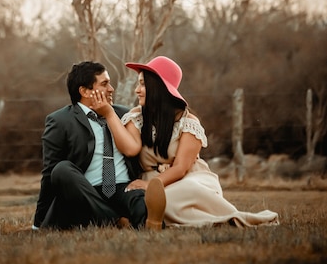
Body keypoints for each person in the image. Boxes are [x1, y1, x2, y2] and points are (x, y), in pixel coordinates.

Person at [94, 55, 279, 228]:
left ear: (158, 87)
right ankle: (155, 217)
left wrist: (152, 185)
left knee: (182, 192)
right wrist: (109, 113)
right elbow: (130, 149)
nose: (137, 90)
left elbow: (181, 168)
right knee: (149, 199)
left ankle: (155, 217)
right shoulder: (136, 118)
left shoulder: (188, 123)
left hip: (190, 179)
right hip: (150, 183)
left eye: (142, 84)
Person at [33, 61, 166, 230]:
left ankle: (151, 223)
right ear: (85, 91)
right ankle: (115, 220)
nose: (111, 89)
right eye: (104, 84)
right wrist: (38, 222)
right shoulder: (60, 121)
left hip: (121, 187)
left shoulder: (124, 114)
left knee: (138, 198)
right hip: (85, 191)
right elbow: (49, 174)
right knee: (61, 169)